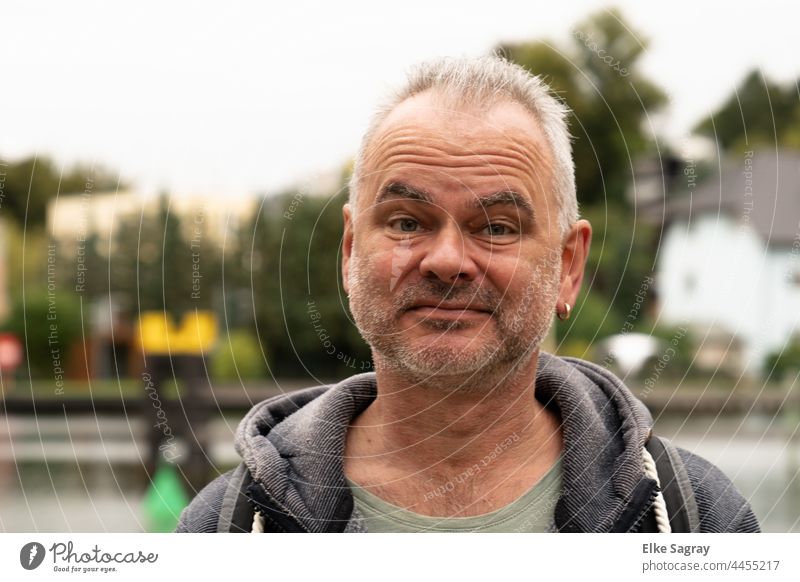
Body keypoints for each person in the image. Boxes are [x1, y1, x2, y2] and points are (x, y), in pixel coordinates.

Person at [177, 55, 759, 533]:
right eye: (406, 222)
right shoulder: (226, 530)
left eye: (498, 227)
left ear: (568, 264)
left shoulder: (694, 521)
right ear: (351, 250)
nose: (448, 260)